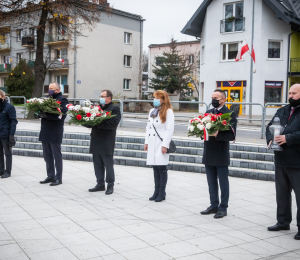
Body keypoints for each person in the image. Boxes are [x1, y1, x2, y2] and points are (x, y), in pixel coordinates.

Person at [266, 83, 300, 240]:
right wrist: (269, 139)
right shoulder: (282, 110)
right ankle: (283, 221)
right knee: (282, 194)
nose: (290, 95)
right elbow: (269, 127)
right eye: (290, 93)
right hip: (280, 159)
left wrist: (288, 138)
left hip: (297, 161)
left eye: (294, 93)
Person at [200, 90, 237, 218]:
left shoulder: (229, 114)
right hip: (209, 151)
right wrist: (199, 132)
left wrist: (218, 134)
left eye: (216, 98)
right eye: (212, 97)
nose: (213, 100)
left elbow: (232, 135)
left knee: (223, 182)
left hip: (221, 153)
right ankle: (213, 205)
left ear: (223, 100)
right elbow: (203, 130)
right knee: (211, 181)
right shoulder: (208, 113)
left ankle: (223, 207)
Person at [88, 90, 121, 195]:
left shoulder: (114, 109)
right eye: (100, 96)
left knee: (108, 164)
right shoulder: (97, 108)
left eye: (103, 96)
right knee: (97, 164)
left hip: (106, 140)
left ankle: (110, 184)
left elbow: (112, 124)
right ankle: (100, 184)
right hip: (96, 139)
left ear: (109, 98)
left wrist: (96, 123)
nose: (101, 98)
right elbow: (90, 122)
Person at [144, 90, 174, 202]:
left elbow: (169, 129)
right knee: (155, 167)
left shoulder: (168, 112)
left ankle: (162, 192)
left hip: (161, 143)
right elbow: (148, 127)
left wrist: (165, 145)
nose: (155, 100)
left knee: (162, 168)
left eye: (157, 98)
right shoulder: (152, 110)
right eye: (154, 98)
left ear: (163, 99)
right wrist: (146, 142)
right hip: (152, 142)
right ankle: (156, 191)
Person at [39, 83, 68, 186]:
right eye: (49, 88)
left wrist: (47, 115)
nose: (49, 90)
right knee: (47, 156)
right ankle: (50, 176)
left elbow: (62, 115)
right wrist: (39, 113)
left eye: (51, 88)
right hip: (45, 130)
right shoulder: (47, 99)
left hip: (55, 131)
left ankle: (58, 178)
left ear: (57, 90)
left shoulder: (62, 99)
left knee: (56, 156)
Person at [0, 90, 18, 179]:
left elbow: (13, 121)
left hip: (5, 134)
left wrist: (11, 135)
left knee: (7, 153)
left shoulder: (9, 107)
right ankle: (1, 170)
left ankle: (8, 171)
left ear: (3, 97)